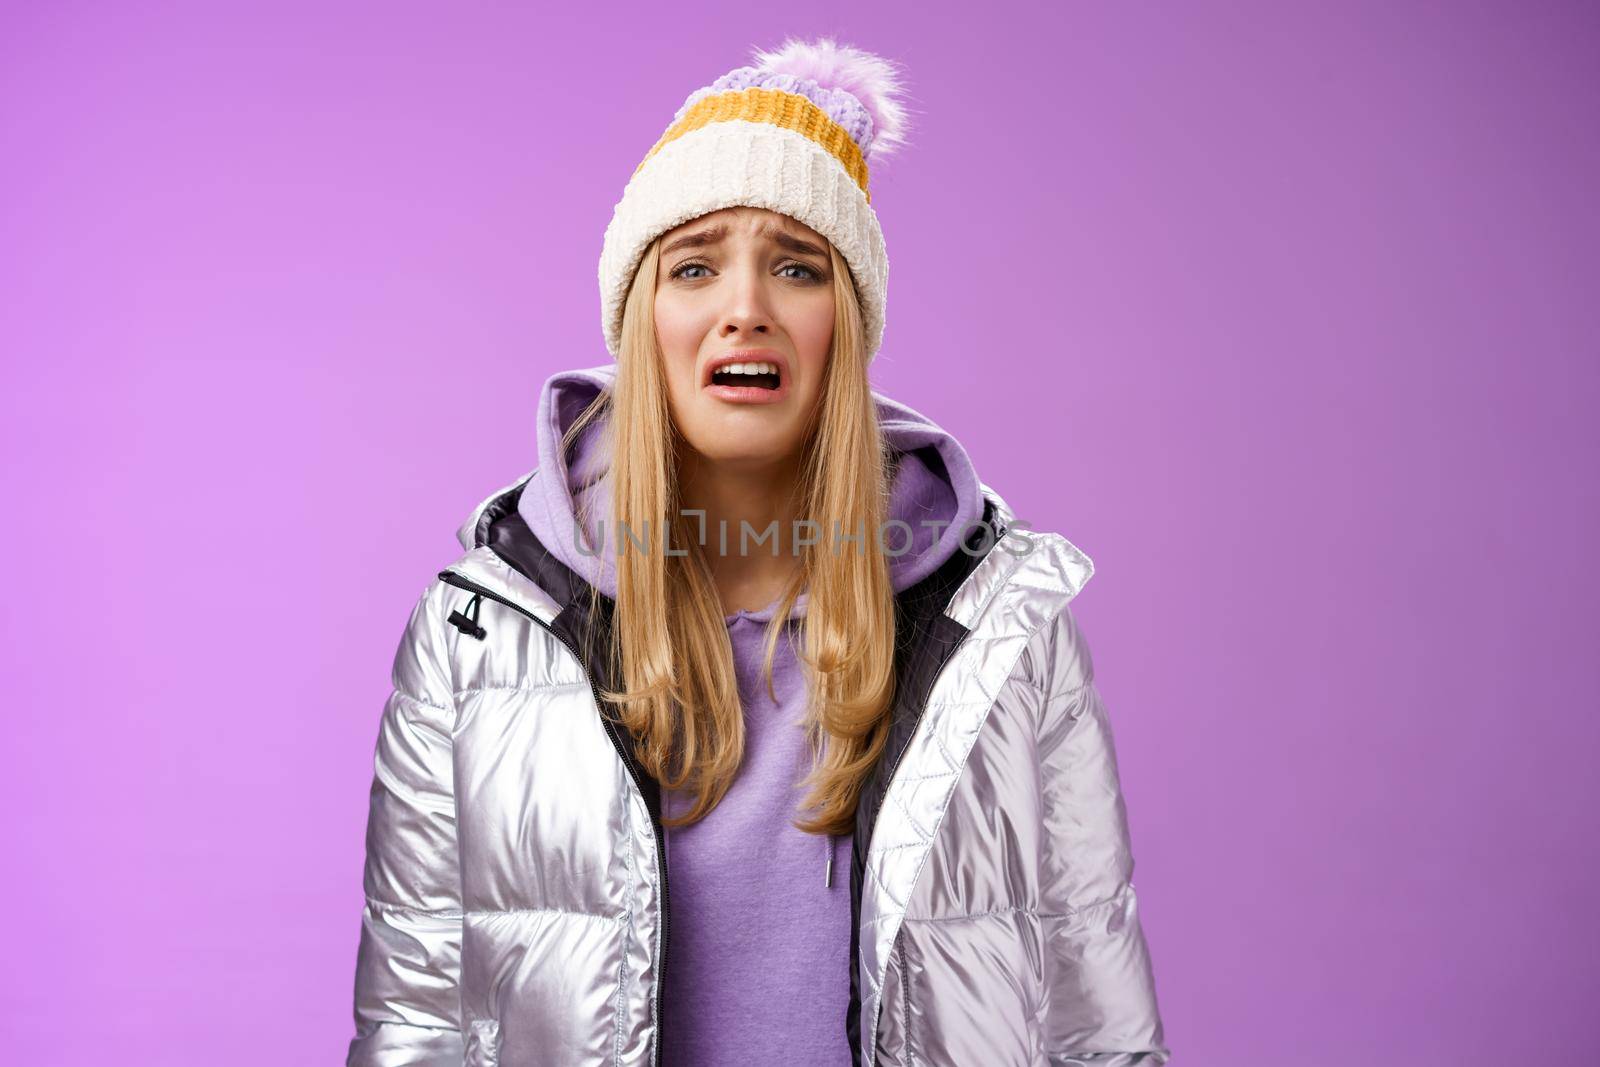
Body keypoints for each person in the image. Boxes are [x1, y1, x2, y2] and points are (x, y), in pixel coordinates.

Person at [345, 36, 1169, 1067]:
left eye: (796, 266)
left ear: (848, 323)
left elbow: (1099, 1023)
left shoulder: (1005, 632)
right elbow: (413, 1026)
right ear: (642, 321)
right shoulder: (480, 633)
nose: (747, 307)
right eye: (694, 266)